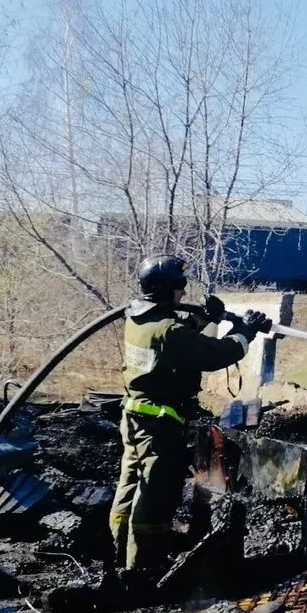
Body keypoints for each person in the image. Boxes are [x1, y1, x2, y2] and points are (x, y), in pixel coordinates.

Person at [110, 254, 272, 593]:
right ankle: (142, 572)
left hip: (135, 417)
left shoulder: (140, 316)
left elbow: (176, 336)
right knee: (154, 498)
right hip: (158, 426)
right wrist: (245, 332)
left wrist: (208, 317)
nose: (184, 293)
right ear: (166, 288)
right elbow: (215, 354)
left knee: (128, 489)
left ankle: (119, 554)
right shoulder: (170, 331)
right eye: (180, 287)